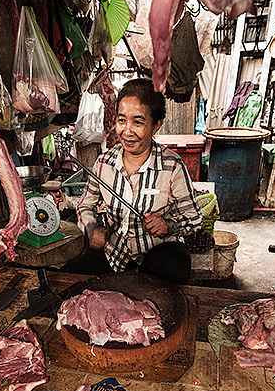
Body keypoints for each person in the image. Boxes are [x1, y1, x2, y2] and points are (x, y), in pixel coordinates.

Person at [64, 78, 203, 285]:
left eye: (138, 122)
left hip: (158, 254)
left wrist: (168, 225)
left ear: (156, 125)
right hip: (115, 254)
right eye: (121, 120)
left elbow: (195, 219)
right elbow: (85, 205)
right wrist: (91, 228)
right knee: (70, 281)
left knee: (169, 270)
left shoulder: (173, 166)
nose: (127, 131)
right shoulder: (104, 164)